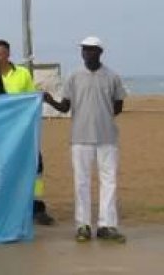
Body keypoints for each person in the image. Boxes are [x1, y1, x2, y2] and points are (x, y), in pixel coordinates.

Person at [43, 37, 128, 244]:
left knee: (109, 182)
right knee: (81, 182)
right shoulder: (73, 76)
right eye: (84, 50)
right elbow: (65, 107)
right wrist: (50, 100)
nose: (86, 54)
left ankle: (107, 225)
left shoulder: (112, 76)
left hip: (107, 137)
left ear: (100, 52)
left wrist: (101, 117)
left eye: (91, 50)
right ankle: (83, 225)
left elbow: (118, 106)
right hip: (80, 137)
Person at [0, 39, 54, 226]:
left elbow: (30, 100)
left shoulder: (22, 74)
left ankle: (37, 206)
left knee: (35, 167)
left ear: (8, 55)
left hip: (20, 131)